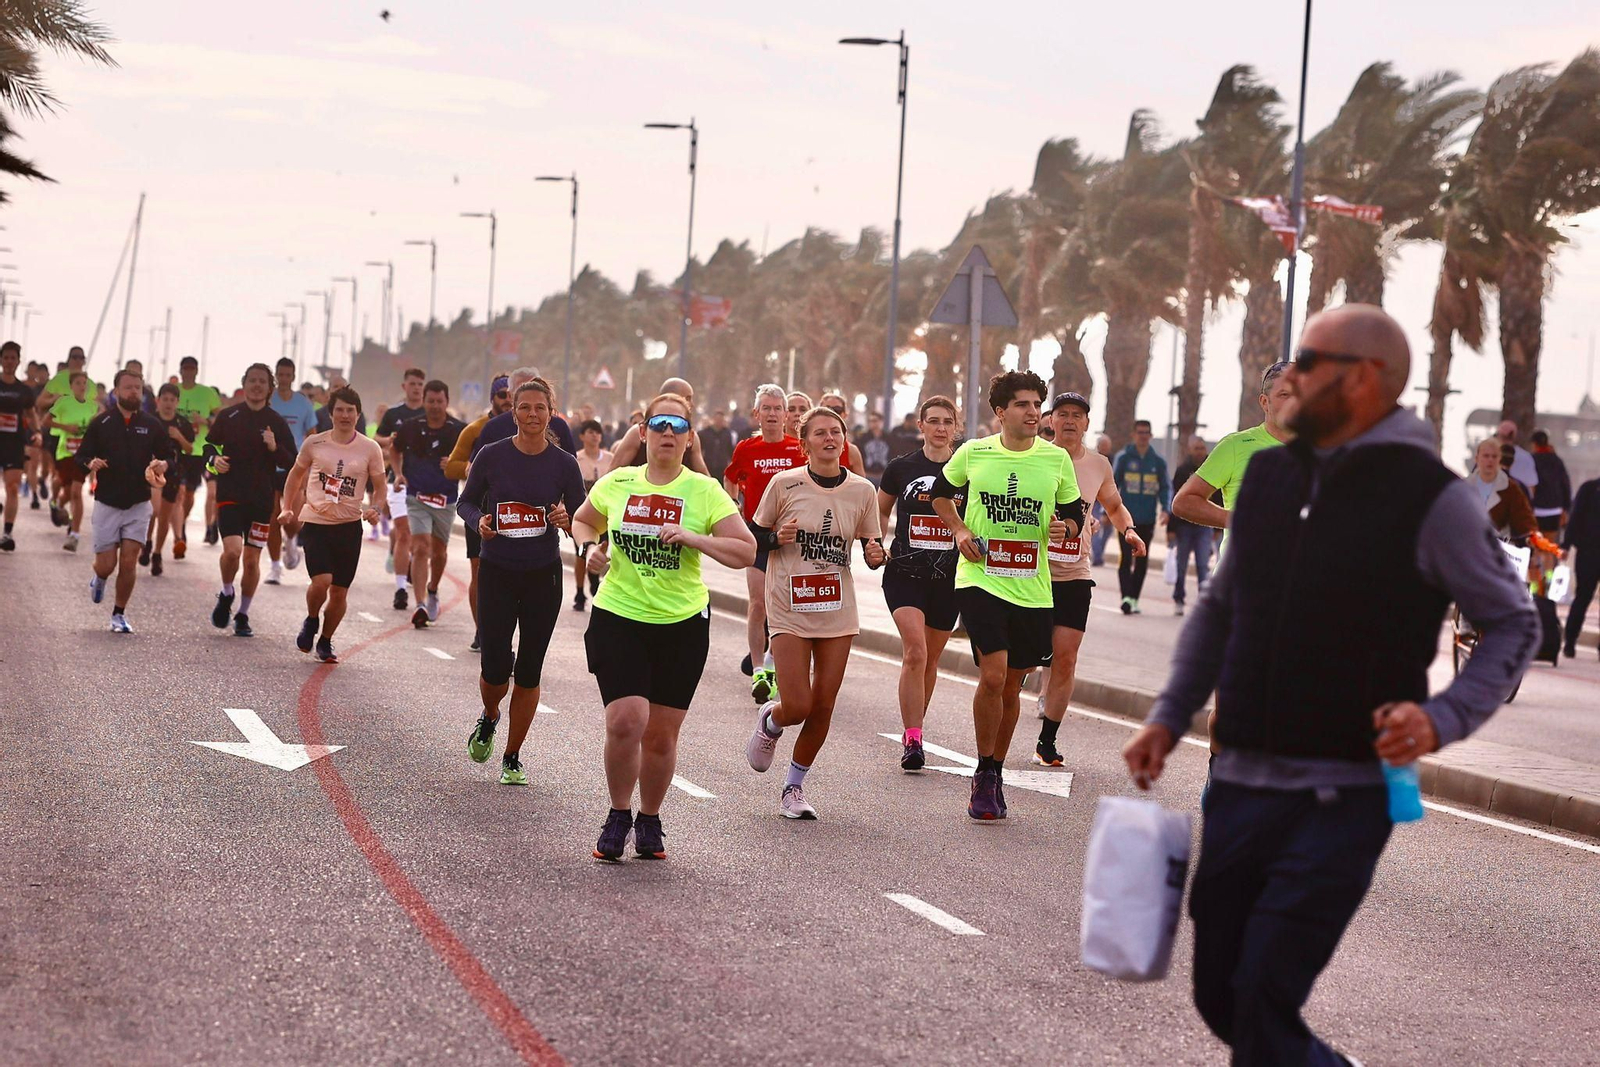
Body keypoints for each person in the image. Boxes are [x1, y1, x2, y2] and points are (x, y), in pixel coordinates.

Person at [1123, 304, 1539, 1067]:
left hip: (1343, 790)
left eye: (1308, 362)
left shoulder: (1431, 496)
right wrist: (1168, 714)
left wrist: (1444, 717)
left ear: (1362, 379)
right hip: (1243, 778)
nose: (1289, 378)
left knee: (1260, 997)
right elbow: (1221, 610)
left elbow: (1514, 621)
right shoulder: (1274, 475)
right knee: (1220, 994)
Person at [571, 393, 756, 859]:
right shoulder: (618, 482)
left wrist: (695, 537)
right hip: (619, 613)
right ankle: (618, 813)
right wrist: (589, 548)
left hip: (682, 623)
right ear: (643, 432)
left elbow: (746, 551)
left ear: (690, 436)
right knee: (626, 719)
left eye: (678, 425)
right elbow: (582, 520)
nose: (668, 432)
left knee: (660, 735)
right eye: (659, 424)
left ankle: (650, 818)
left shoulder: (704, 490)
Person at [930, 370, 1081, 821]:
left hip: (1032, 588)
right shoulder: (974, 452)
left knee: (1013, 684)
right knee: (993, 676)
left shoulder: (1055, 459)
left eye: (1038, 405)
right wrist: (959, 530)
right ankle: (982, 769)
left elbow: (1074, 513)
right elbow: (941, 494)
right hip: (980, 578)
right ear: (1000, 412)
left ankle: (995, 769)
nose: (1034, 412)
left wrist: (1065, 526)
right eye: (1023, 405)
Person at [742, 405, 884, 819]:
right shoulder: (784, 485)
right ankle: (773, 719)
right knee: (799, 705)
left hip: (837, 607)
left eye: (835, 432)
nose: (829, 438)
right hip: (789, 604)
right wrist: (774, 536)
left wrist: (876, 554)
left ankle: (794, 788)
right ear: (804, 444)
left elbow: (871, 546)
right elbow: (754, 537)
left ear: (844, 440)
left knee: (823, 705)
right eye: (820, 433)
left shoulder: (862, 491)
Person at [456, 379, 585, 786]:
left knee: (529, 670)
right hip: (497, 571)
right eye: (525, 407)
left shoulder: (564, 463)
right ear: (513, 412)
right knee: (496, 669)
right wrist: (479, 522)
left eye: (539, 408)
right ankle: (490, 715)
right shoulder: (492, 455)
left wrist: (568, 522)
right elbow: (466, 500)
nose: (532, 414)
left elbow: (583, 515)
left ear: (551, 413)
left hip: (542, 575)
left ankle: (512, 756)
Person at [1033, 392, 1143, 767]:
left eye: (1076, 415)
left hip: (1075, 573)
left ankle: (1047, 740)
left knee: (1065, 659)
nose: (1069, 421)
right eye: (1062, 414)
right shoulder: (1035, 455)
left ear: (1085, 423)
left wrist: (1128, 530)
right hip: (1030, 572)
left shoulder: (1098, 464)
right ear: (1051, 420)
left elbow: (1112, 505)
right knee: (1024, 656)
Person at [877, 396, 963, 771]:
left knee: (931, 659)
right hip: (905, 573)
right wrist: (875, 542)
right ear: (921, 426)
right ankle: (913, 739)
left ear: (955, 427)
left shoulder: (968, 471)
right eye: (933, 421)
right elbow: (879, 509)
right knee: (915, 652)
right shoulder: (902, 467)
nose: (940, 428)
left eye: (947, 421)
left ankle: (917, 726)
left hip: (949, 578)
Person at [279, 387, 387, 664]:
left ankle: (325, 640)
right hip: (316, 521)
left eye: (350, 410)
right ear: (330, 414)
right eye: (339, 409)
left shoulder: (369, 448)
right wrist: (286, 507)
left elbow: (380, 487)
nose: (345, 415)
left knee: (339, 591)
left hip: (349, 526)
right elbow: (295, 475)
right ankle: (312, 619)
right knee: (322, 581)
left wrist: (375, 508)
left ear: (358, 414)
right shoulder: (315, 443)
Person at [74, 369, 175, 633]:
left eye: (138, 388)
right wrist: (89, 462)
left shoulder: (152, 425)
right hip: (107, 502)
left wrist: (163, 464)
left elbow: (170, 456)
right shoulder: (102, 423)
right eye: (128, 387)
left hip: (139, 503)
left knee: (129, 561)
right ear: (116, 391)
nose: (133, 392)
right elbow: (82, 455)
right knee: (107, 564)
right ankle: (99, 577)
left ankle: (118, 614)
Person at [723, 384, 805, 701]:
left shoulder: (797, 448)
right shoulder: (746, 449)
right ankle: (758, 670)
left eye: (777, 409)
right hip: (757, 536)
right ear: (756, 414)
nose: (772, 414)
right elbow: (730, 478)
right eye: (766, 409)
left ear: (786, 414)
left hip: (790, 537)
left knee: (784, 606)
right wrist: (734, 508)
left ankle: (771, 663)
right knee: (758, 603)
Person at [207, 364, 298, 637]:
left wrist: (274, 447)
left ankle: (243, 614)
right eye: (252, 381)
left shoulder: (277, 422)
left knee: (251, 560)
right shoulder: (228, 415)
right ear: (244, 384)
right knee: (232, 551)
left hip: (261, 499)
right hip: (230, 495)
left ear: (269, 388)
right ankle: (226, 593)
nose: (256, 385)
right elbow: (209, 445)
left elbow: (291, 460)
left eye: (262, 381)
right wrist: (214, 460)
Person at [1171, 361, 1295, 555]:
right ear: (1264, 402)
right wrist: (1240, 520)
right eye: (1284, 394)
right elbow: (1184, 501)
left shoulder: (1326, 451)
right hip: (1241, 578)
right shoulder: (1236, 446)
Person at [444, 375, 513, 651]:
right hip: (482, 509)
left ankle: (502, 633)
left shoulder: (529, 428)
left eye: (511, 395)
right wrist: (471, 469)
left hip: (516, 512)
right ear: (492, 399)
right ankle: (481, 630)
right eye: (502, 395)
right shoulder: (476, 429)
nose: (507, 400)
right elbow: (451, 467)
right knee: (480, 571)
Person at [389, 380, 466, 628]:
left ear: (447, 402)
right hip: (416, 496)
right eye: (430, 401)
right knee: (420, 546)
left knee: (439, 552)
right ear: (424, 401)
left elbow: (474, 461)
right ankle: (420, 603)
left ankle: (433, 590)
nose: (434, 406)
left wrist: (456, 466)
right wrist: (399, 474)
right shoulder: (411, 427)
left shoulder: (458, 430)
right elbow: (395, 449)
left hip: (446, 499)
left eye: (439, 401)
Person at [375, 368, 429, 609]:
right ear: (404, 386)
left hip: (426, 483)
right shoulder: (395, 414)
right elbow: (377, 438)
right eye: (413, 384)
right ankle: (400, 590)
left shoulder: (431, 414)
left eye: (420, 384)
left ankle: (415, 575)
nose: (417, 388)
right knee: (403, 532)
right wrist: (392, 440)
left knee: (422, 540)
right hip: (397, 479)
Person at [265, 357, 317, 585]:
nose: (284, 379)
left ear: (293, 377)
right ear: (276, 376)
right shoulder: (269, 401)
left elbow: (312, 435)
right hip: (268, 465)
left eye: (288, 375)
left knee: (293, 518)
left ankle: (293, 539)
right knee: (272, 518)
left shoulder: (303, 404)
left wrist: (312, 464)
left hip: (295, 466)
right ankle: (275, 567)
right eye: (280, 375)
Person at [1111, 420, 1168, 614]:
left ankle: (1134, 598)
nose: (1143, 436)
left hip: (1147, 519)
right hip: (1126, 520)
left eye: (1146, 433)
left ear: (1150, 436)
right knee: (1125, 558)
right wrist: (1106, 510)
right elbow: (1111, 485)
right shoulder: (1124, 458)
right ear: (1133, 435)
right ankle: (1126, 597)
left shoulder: (1157, 461)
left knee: (1142, 559)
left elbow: (1165, 487)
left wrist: (1166, 510)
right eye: (1140, 432)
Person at [143, 383, 197, 575]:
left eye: (172, 400)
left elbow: (190, 449)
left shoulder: (182, 423)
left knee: (165, 516)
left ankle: (157, 553)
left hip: (174, 471)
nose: (168, 404)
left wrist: (179, 437)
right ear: (158, 401)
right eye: (164, 399)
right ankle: (147, 541)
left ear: (177, 402)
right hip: (153, 471)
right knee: (153, 510)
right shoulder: (150, 420)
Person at [42, 370, 98, 552]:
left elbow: (99, 425)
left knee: (76, 491)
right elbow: (46, 421)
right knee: (67, 491)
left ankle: (74, 534)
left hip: (83, 455)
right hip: (65, 453)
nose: (82, 386)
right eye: (78, 383)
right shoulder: (63, 403)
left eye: (84, 383)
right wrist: (66, 427)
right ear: (71, 387)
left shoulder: (92, 406)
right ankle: (58, 504)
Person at [604, 376, 708, 473]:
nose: (692, 404)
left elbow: (704, 476)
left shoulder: (692, 438)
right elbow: (612, 473)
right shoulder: (636, 433)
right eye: (688, 398)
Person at [174, 356, 223, 553]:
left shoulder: (206, 394)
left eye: (192, 368)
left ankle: (198, 523)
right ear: (180, 370)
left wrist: (205, 420)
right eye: (185, 368)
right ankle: (181, 528)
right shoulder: (174, 391)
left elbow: (220, 417)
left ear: (196, 371)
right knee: (182, 491)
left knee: (194, 493)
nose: (188, 371)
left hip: (200, 450)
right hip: (178, 449)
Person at [1167, 434, 1216, 616]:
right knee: (1182, 565)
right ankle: (1179, 598)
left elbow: (1218, 497)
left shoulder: (1213, 469)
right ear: (1190, 450)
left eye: (1202, 448)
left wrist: (1217, 527)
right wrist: (1171, 529)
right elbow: (1174, 500)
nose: (1200, 452)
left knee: (1203, 565)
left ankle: (1204, 603)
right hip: (1184, 526)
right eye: (1196, 448)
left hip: (1204, 526)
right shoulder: (1182, 471)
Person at [571, 418, 613, 611]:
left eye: (597, 432)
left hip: (606, 515)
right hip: (584, 516)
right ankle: (580, 592)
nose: (595, 436)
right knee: (582, 553)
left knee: (601, 550)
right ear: (582, 436)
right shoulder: (575, 459)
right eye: (590, 432)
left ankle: (595, 582)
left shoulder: (610, 458)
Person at [0, 341, 38, 551]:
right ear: (1, 360)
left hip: (14, 442)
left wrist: (38, 432)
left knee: (12, 486)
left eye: (13, 358)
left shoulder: (24, 390)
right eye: (5, 357)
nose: (9, 361)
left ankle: (7, 533)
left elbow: (31, 414)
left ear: (18, 361)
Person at [1563, 473, 1600, 659]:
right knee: (1582, 598)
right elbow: (1575, 517)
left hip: (1588, 551)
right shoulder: (1589, 489)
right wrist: (1566, 545)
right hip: (1588, 553)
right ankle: (1570, 641)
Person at [1529, 429, 1572, 534]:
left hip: (1535, 510)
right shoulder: (1557, 460)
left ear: (1534, 444)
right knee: (1549, 544)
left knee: (1535, 544)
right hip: (1554, 509)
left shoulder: (1531, 460)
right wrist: (1566, 508)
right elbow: (1565, 484)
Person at [818, 392, 868, 476]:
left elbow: (863, 486)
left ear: (845, 414)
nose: (832, 413)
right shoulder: (809, 444)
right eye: (826, 410)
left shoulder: (851, 451)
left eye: (837, 410)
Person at [1496, 419, 1539, 500]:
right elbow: (1532, 486)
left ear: (1499, 435)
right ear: (1514, 435)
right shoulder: (1526, 457)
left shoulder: (1489, 455)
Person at [1088, 434, 1114, 566]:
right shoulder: (1092, 460)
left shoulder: (1114, 461)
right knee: (1096, 527)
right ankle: (1097, 556)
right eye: (1102, 446)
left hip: (1109, 499)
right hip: (1096, 500)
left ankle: (1099, 552)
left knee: (1109, 530)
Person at [697, 408, 738, 488]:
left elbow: (730, 450)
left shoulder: (727, 433)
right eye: (717, 419)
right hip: (709, 465)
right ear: (713, 419)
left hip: (722, 467)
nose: (719, 421)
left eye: (721, 420)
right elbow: (700, 449)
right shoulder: (705, 433)